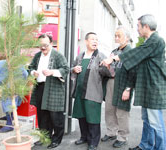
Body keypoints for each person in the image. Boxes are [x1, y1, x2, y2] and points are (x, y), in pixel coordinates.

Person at [101, 14, 166, 150]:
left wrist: (114, 59)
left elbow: (136, 53)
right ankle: (145, 146)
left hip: (153, 87)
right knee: (147, 120)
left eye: (138, 26)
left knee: (156, 123)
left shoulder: (156, 40)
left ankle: (160, 148)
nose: (137, 29)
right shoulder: (148, 42)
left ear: (146, 26)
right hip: (147, 87)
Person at [71, 32, 115, 150]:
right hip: (80, 91)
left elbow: (110, 73)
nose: (95, 41)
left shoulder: (100, 55)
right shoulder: (80, 56)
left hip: (93, 92)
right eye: (92, 39)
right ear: (86, 41)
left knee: (93, 117)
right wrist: (74, 69)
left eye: (96, 39)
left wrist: (106, 66)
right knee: (82, 116)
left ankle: (93, 142)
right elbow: (72, 69)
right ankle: (84, 137)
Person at [28, 34, 69, 149]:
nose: (43, 48)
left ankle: (57, 139)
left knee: (55, 116)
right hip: (40, 87)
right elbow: (30, 67)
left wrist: (52, 72)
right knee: (42, 115)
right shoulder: (37, 56)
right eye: (41, 46)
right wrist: (33, 73)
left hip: (54, 88)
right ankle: (44, 137)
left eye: (45, 45)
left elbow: (66, 69)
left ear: (51, 43)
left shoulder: (57, 55)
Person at [101, 26, 136, 148]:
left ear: (127, 38)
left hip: (123, 84)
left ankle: (122, 136)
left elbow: (133, 72)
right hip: (111, 82)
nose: (116, 38)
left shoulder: (130, 52)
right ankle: (111, 132)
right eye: (115, 35)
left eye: (119, 35)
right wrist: (107, 65)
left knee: (122, 112)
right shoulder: (114, 51)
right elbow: (111, 70)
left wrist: (128, 88)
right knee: (109, 109)